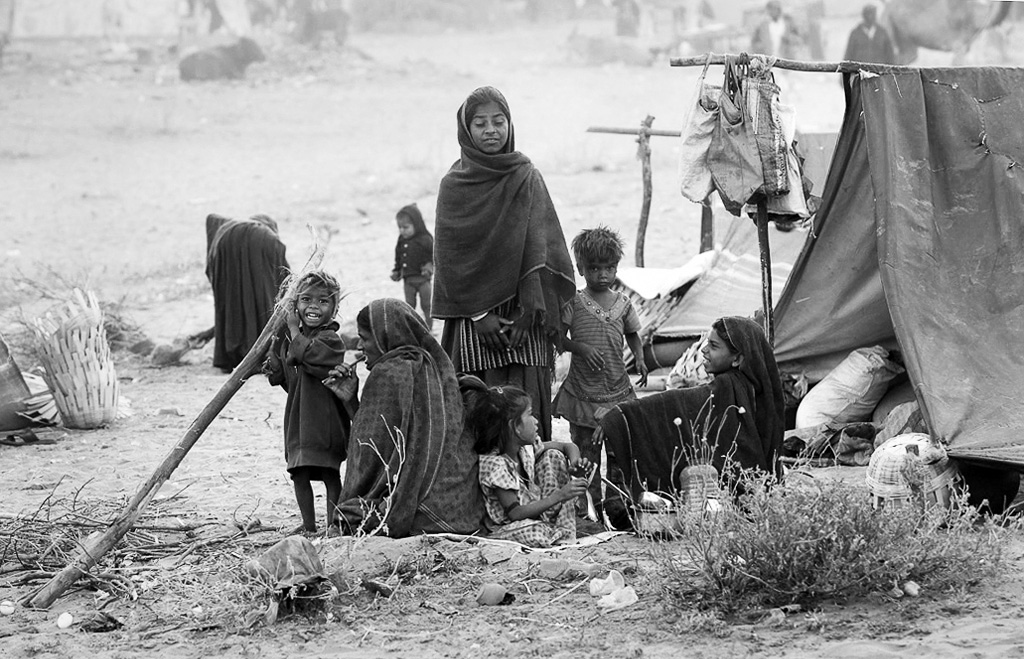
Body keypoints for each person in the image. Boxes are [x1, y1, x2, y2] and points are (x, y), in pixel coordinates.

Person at [433, 86, 576, 444]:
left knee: (528, 418)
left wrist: (529, 311)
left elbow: (543, 246)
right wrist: (480, 315)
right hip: (474, 320)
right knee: (477, 413)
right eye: (480, 123)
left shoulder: (527, 176)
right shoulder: (454, 186)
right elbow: (449, 258)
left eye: (499, 121)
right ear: (466, 130)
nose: (491, 130)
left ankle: (533, 476)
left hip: (527, 316)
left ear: (510, 124)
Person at [597, 316, 785, 528]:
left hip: (735, 496)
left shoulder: (728, 386)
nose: (704, 350)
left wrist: (621, 416)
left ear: (737, 359)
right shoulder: (758, 389)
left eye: (713, 346)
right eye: (706, 343)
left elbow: (679, 402)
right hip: (756, 493)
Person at [329, 298, 485, 537]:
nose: (360, 347)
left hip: (417, 512)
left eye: (365, 338)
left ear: (385, 336)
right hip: (461, 509)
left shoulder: (388, 373)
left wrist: (350, 404)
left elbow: (371, 456)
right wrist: (351, 400)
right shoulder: (437, 367)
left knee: (348, 515)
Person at [554, 227, 648, 509]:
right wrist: (581, 348)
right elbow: (558, 339)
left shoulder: (623, 304)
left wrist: (640, 358)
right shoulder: (574, 303)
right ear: (581, 269)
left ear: (617, 267)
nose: (602, 274)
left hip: (617, 390)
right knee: (586, 455)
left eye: (609, 268)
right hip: (583, 393)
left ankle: (618, 506)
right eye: (594, 268)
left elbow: (632, 334)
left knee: (620, 452)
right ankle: (588, 509)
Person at [263, 271, 352, 535]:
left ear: (334, 309)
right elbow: (292, 382)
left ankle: (333, 524)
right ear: (296, 305)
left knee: (329, 472)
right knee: (299, 473)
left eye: (323, 301)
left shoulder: (331, 340)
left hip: (324, 420)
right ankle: (309, 526)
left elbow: (309, 356)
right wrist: (275, 366)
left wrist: (292, 328)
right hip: (299, 418)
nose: (314, 306)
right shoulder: (293, 342)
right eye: (306, 300)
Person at [466, 381, 592, 547]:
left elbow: (567, 447)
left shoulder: (525, 449)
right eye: (530, 414)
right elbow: (515, 514)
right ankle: (557, 533)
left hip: (538, 513)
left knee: (552, 455)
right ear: (515, 426)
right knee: (537, 532)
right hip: (513, 525)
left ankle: (559, 532)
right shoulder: (495, 466)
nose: (536, 421)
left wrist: (575, 463)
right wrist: (560, 495)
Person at [205, 213, 289, 372]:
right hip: (266, 242)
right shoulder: (266, 233)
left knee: (231, 301)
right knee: (264, 297)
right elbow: (285, 280)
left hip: (226, 242)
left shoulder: (226, 228)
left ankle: (230, 357)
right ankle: (261, 355)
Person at [390, 203, 434, 330]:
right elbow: (398, 256)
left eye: (406, 227)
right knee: (409, 306)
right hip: (408, 280)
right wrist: (397, 270)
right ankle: (412, 329)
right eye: (400, 227)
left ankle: (429, 329)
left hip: (423, 280)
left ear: (417, 224)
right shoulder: (401, 240)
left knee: (427, 305)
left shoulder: (426, 239)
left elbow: (433, 256)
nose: (402, 231)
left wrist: (429, 266)